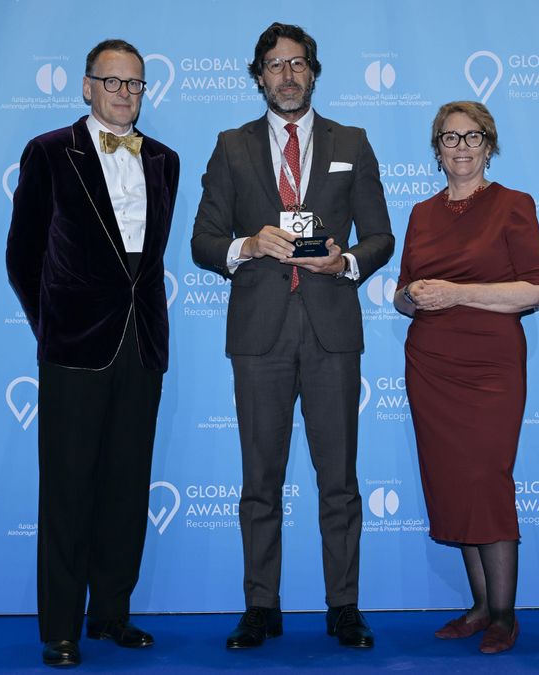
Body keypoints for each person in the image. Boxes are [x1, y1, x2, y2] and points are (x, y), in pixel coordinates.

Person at [190, 22, 393, 650]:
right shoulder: (231, 146)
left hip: (332, 332)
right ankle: (261, 606)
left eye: (298, 63)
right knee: (260, 481)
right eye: (275, 65)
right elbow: (202, 242)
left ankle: (344, 607)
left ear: (313, 71)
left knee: (340, 480)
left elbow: (381, 236)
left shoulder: (351, 142)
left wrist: (346, 262)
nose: (287, 75)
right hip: (260, 337)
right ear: (259, 77)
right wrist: (248, 245)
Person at [6, 38, 180, 668]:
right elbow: (22, 255)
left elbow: (148, 264)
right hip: (73, 348)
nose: (124, 93)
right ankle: (61, 628)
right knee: (68, 489)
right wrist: (53, 326)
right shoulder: (50, 151)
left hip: (142, 344)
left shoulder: (164, 160)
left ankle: (111, 614)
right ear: (87, 86)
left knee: (127, 487)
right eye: (112, 81)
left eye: (135, 83)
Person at [393, 101, 539, 655]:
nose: (461, 147)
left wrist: (458, 293)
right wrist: (412, 296)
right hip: (430, 365)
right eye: (449, 137)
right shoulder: (420, 213)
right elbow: (401, 295)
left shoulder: (513, 204)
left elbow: (537, 289)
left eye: (472, 136)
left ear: (490, 145)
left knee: (486, 478)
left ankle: (505, 615)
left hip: (490, 366)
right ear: (436, 149)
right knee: (454, 480)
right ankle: (481, 606)